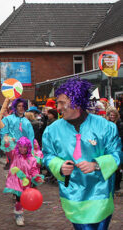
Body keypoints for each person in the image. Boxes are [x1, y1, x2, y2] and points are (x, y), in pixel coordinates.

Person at [42, 78, 122, 229]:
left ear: (76, 101)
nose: (58, 108)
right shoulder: (52, 131)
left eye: (61, 102)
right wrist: (59, 166)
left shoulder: (105, 127)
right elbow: (47, 155)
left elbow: (117, 154)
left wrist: (96, 165)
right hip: (73, 196)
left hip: (101, 194)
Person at [3, 137, 44, 226]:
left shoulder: (32, 159)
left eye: (25, 147)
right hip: (16, 182)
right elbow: (8, 151)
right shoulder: (15, 154)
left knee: (23, 200)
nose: (22, 149)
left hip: (26, 183)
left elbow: (34, 170)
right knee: (19, 200)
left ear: (28, 148)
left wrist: (37, 177)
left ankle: (19, 212)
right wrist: (7, 142)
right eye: (21, 146)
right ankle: (19, 215)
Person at [0, 98, 34, 170]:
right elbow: (4, 132)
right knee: (15, 169)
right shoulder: (8, 119)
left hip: (24, 149)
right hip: (13, 149)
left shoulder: (27, 122)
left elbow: (31, 137)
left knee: (23, 170)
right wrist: (6, 139)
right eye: (19, 106)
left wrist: (31, 151)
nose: (21, 108)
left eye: (22, 106)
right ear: (15, 107)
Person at [106, 108, 123, 193]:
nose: (112, 116)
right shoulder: (106, 124)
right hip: (109, 148)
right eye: (111, 115)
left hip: (118, 147)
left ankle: (117, 186)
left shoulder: (119, 124)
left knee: (118, 167)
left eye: (114, 115)